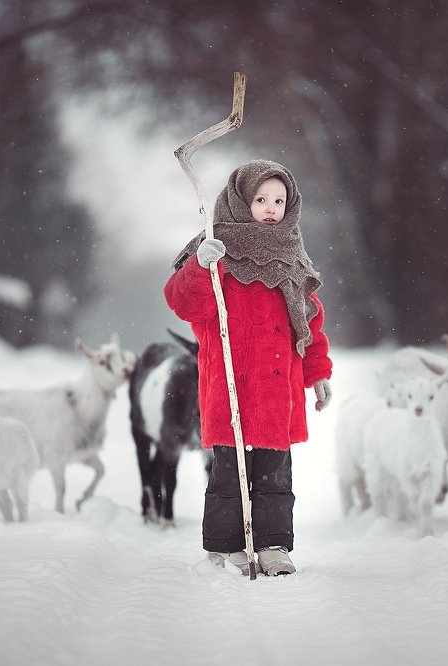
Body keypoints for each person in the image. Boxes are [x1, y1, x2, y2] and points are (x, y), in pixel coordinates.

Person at [164, 159, 333, 576]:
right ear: (241, 201)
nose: (271, 207)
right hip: (231, 384)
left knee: (275, 476)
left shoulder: (293, 257)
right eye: (261, 199)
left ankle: (274, 547)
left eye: (279, 199)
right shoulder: (215, 247)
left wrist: (319, 373)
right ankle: (225, 547)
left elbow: (309, 322)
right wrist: (201, 268)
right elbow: (184, 303)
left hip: (278, 387)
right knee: (228, 475)